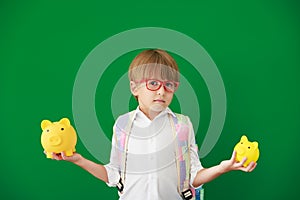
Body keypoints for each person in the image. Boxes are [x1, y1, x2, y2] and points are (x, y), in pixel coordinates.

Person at [49, 49, 257, 200]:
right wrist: (78, 160)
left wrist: (224, 167)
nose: (161, 91)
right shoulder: (122, 125)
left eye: (169, 85)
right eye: (153, 83)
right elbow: (113, 175)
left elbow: (193, 178)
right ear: (135, 87)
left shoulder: (183, 125)